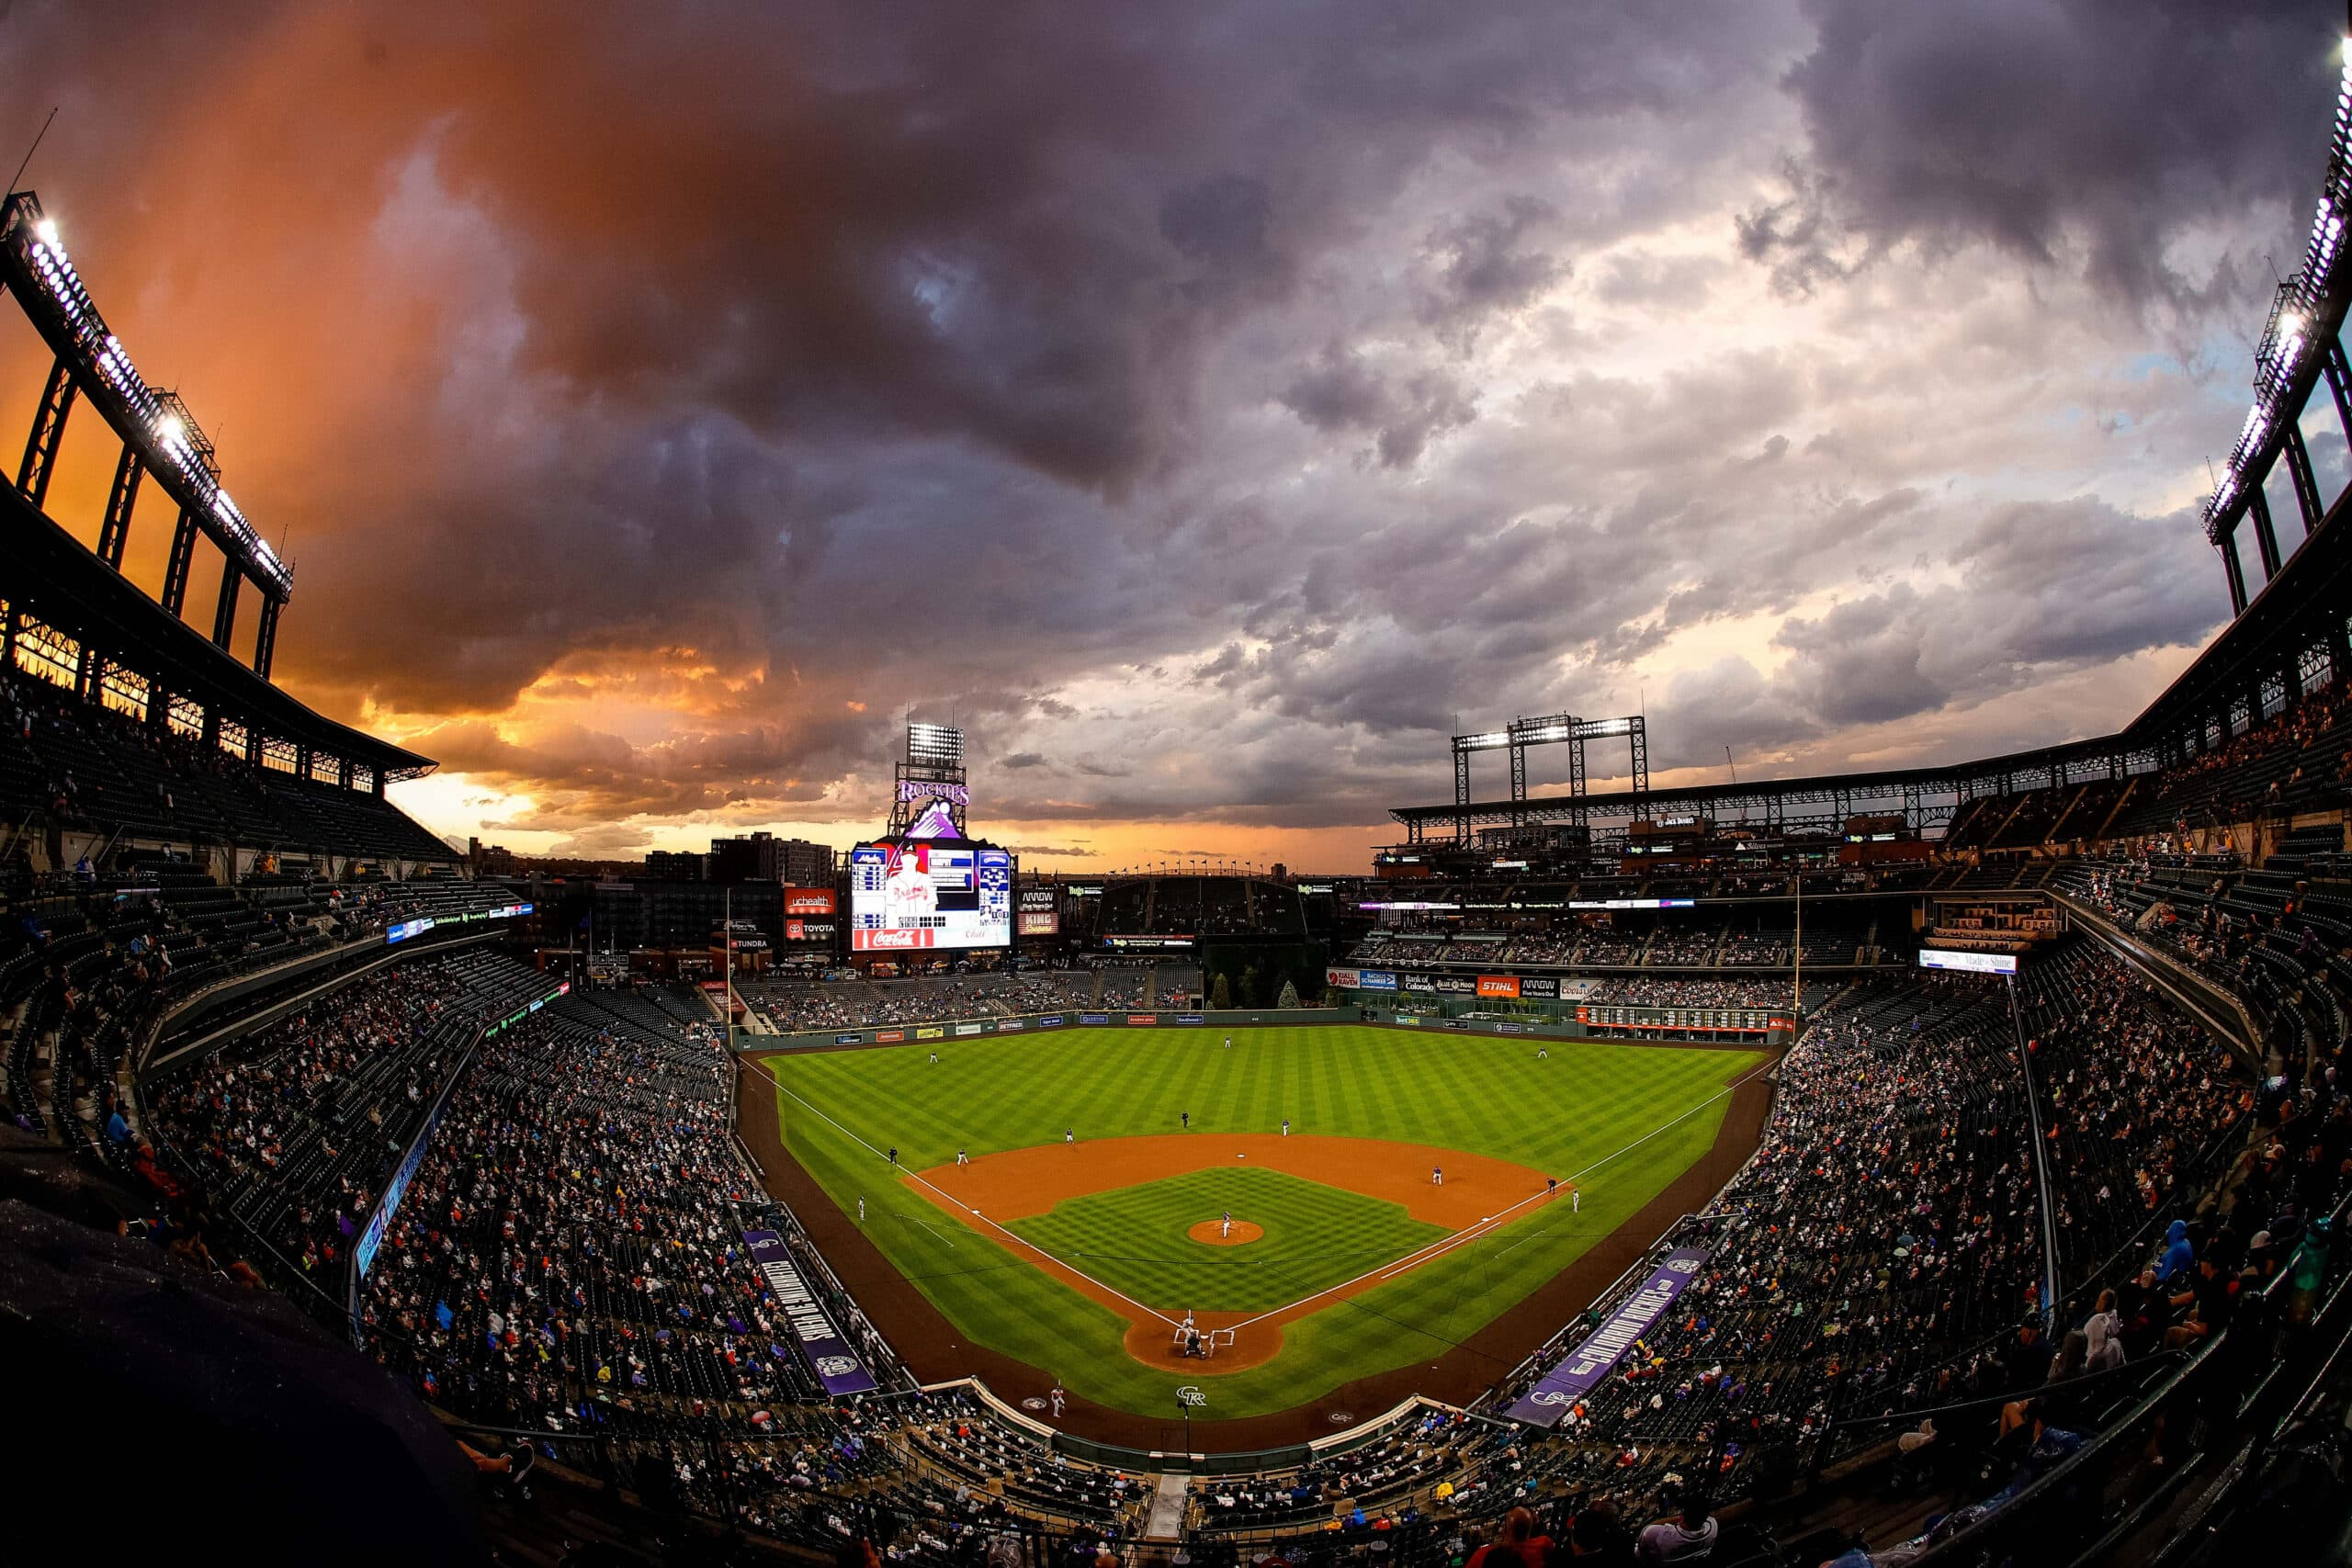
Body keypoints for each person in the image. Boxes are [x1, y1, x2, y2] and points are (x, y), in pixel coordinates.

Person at [1634, 1499, 1716, 1564]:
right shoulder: (1713, 1526)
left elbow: (1649, 1527)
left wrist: (1678, 1518)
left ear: (1682, 1517)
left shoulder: (1655, 1533)